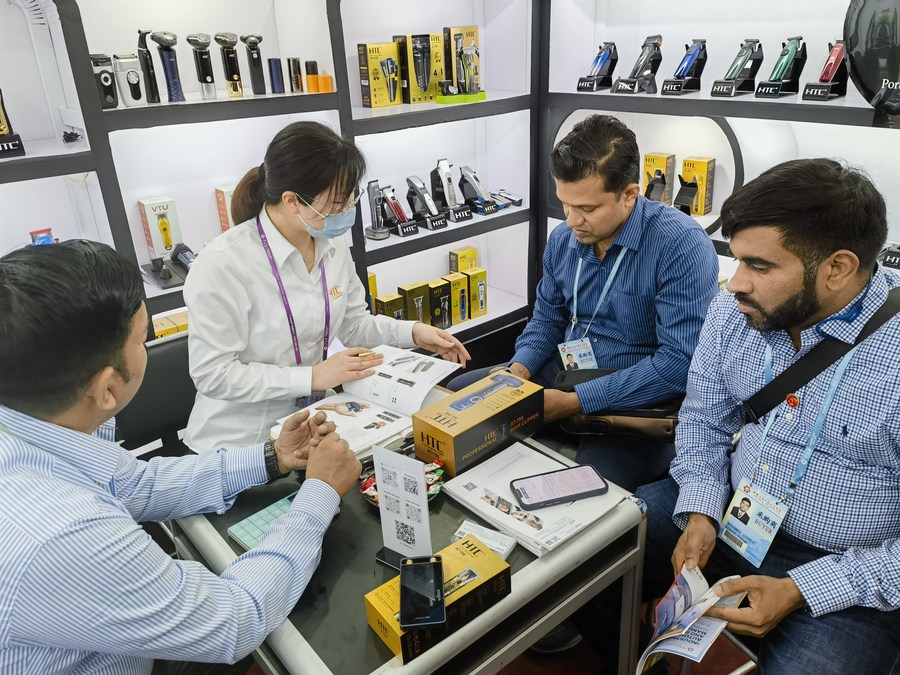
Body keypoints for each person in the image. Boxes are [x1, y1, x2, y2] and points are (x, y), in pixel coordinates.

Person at [0, 240, 364, 674]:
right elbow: (232, 622)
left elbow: (134, 484)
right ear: (107, 389)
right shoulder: (63, 534)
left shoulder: (32, 426)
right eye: (142, 340)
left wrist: (273, 457)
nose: (148, 348)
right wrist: (320, 493)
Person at [636, 159, 900, 673]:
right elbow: (703, 420)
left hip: (850, 570)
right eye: (737, 260)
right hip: (729, 513)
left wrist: (804, 588)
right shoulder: (735, 310)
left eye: (759, 266)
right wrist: (700, 509)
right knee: (600, 553)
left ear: (838, 267)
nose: (735, 283)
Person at [448, 114, 718, 490]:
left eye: (587, 209)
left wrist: (576, 401)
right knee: (455, 400)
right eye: (565, 204)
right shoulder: (564, 239)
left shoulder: (680, 245)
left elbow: (678, 364)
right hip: (562, 373)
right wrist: (519, 371)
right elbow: (547, 320)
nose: (572, 220)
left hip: (633, 400)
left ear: (629, 194)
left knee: (579, 491)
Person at [184, 121, 469, 452]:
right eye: (337, 204)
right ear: (292, 201)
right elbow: (214, 374)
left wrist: (413, 333)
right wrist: (313, 377)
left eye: (351, 199)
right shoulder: (224, 264)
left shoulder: (330, 244)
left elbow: (353, 324)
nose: (346, 211)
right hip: (240, 445)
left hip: (315, 424)